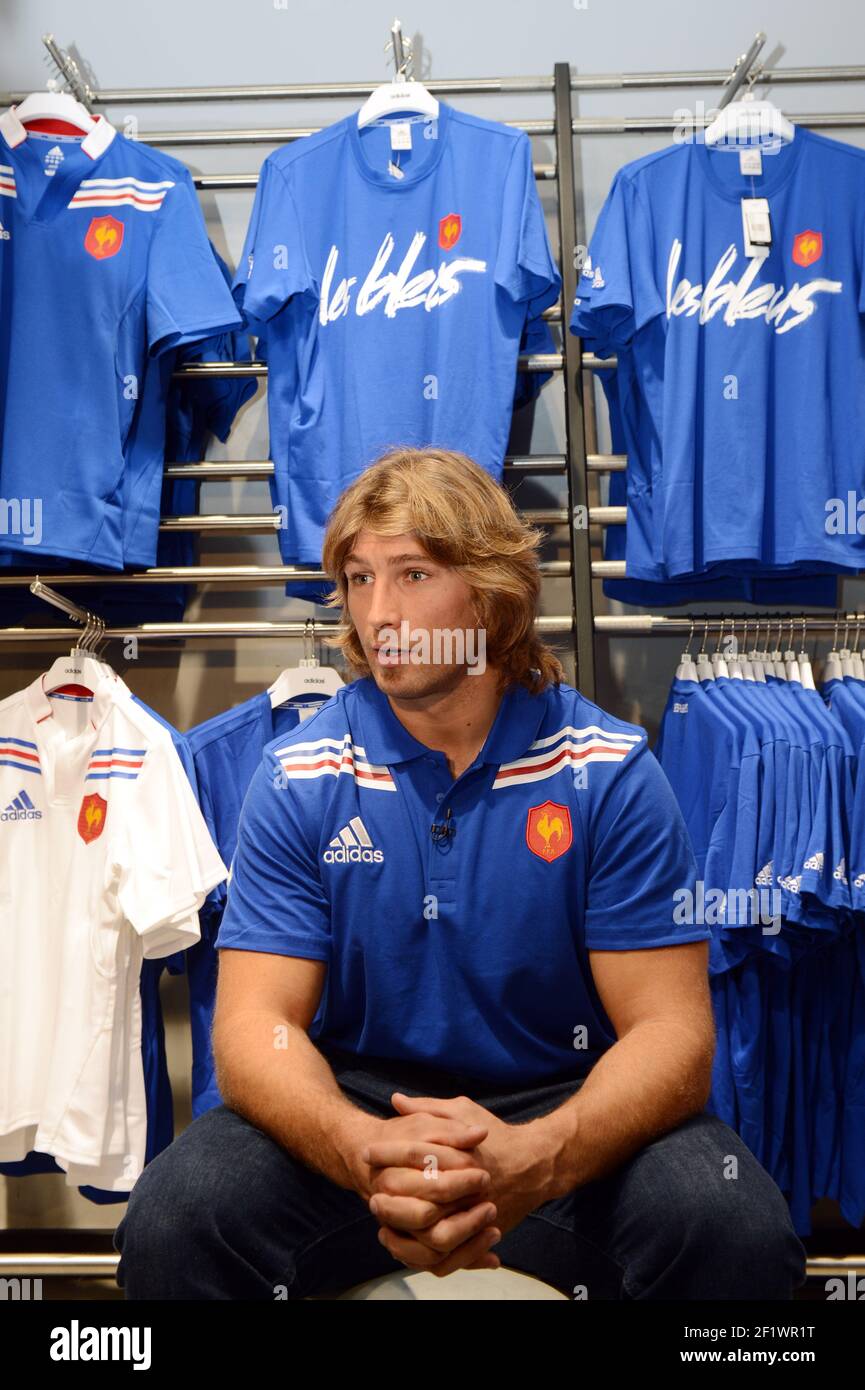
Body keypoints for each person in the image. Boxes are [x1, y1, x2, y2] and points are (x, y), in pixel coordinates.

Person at [114, 447, 807, 1300]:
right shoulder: (300, 774)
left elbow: (671, 1035)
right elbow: (257, 1026)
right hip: (360, 1102)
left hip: (563, 1097)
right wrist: (354, 1145)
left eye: (411, 574)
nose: (379, 614)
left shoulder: (607, 769)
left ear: (488, 592)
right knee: (175, 1219)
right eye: (359, 578)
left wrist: (543, 1153)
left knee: (734, 1227)